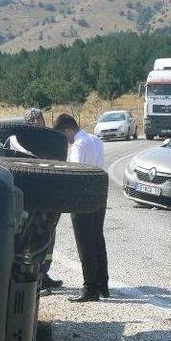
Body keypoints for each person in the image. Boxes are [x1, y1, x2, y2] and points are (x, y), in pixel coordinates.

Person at [53, 113, 109, 302]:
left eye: (63, 135)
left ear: (68, 130)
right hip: (98, 192)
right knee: (97, 239)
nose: (65, 140)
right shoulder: (95, 139)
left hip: (82, 196)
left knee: (84, 243)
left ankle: (89, 288)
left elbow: (74, 172)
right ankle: (103, 284)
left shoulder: (78, 145)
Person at [22, 107, 63, 290]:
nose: (37, 122)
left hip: (50, 197)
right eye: (33, 120)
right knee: (33, 238)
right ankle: (34, 276)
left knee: (49, 237)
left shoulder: (50, 140)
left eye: (39, 118)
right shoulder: (24, 143)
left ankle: (44, 274)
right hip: (33, 201)